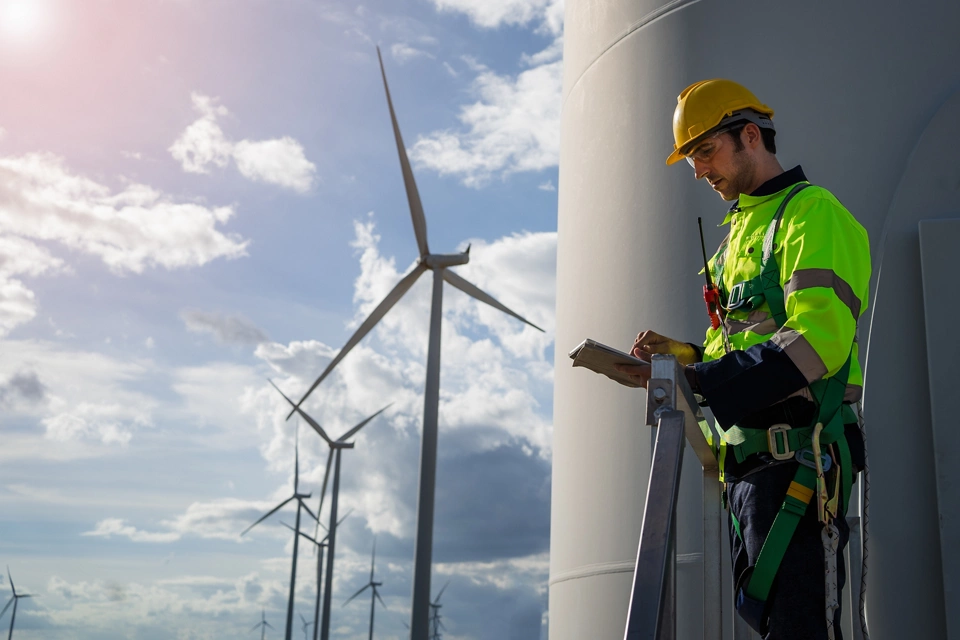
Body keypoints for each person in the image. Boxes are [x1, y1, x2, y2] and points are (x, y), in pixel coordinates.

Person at [615, 79, 870, 640]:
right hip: (750, 472)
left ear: (749, 135)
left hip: (801, 461)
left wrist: (699, 381)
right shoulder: (737, 235)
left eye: (705, 150)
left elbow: (817, 341)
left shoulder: (811, 213)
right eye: (691, 159)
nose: (700, 170)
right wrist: (681, 357)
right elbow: (738, 344)